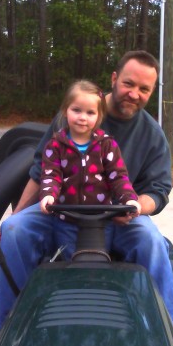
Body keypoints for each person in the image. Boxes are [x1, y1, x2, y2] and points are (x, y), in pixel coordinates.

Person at [0, 51, 173, 346]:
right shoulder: (74, 117)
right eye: (129, 83)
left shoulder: (151, 135)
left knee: (153, 242)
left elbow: (158, 189)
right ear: (114, 79)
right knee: (14, 231)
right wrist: (14, 214)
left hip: (119, 219)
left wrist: (136, 207)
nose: (134, 93)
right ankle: (10, 339)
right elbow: (40, 172)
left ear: (151, 92)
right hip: (60, 213)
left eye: (144, 89)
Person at [39, 80, 141, 256]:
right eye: (76, 110)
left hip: (101, 222)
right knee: (71, 264)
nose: (82, 117)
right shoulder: (55, 145)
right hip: (67, 220)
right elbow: (51, 175)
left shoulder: (107, 145)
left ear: (99, 116)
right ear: (65, 110)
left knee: (98, 262)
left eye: (90, 112)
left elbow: (118, 177)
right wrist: (48, 194)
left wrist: (129, 199)